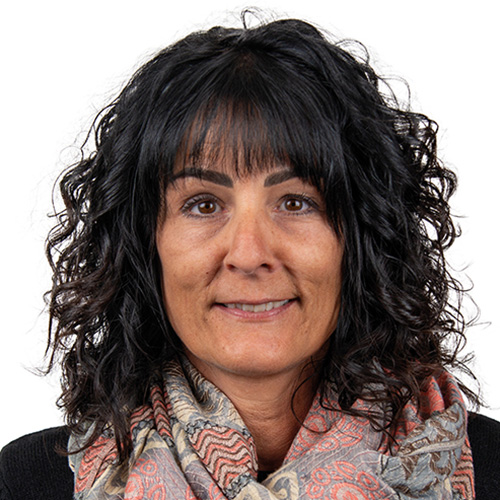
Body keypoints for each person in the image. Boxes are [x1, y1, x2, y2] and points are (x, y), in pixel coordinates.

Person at [1, 14, 499, 500]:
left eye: (295, 202)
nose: (249, 254)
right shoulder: (27, 484)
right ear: (144, 245)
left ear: (362, 237)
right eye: (203, 205)